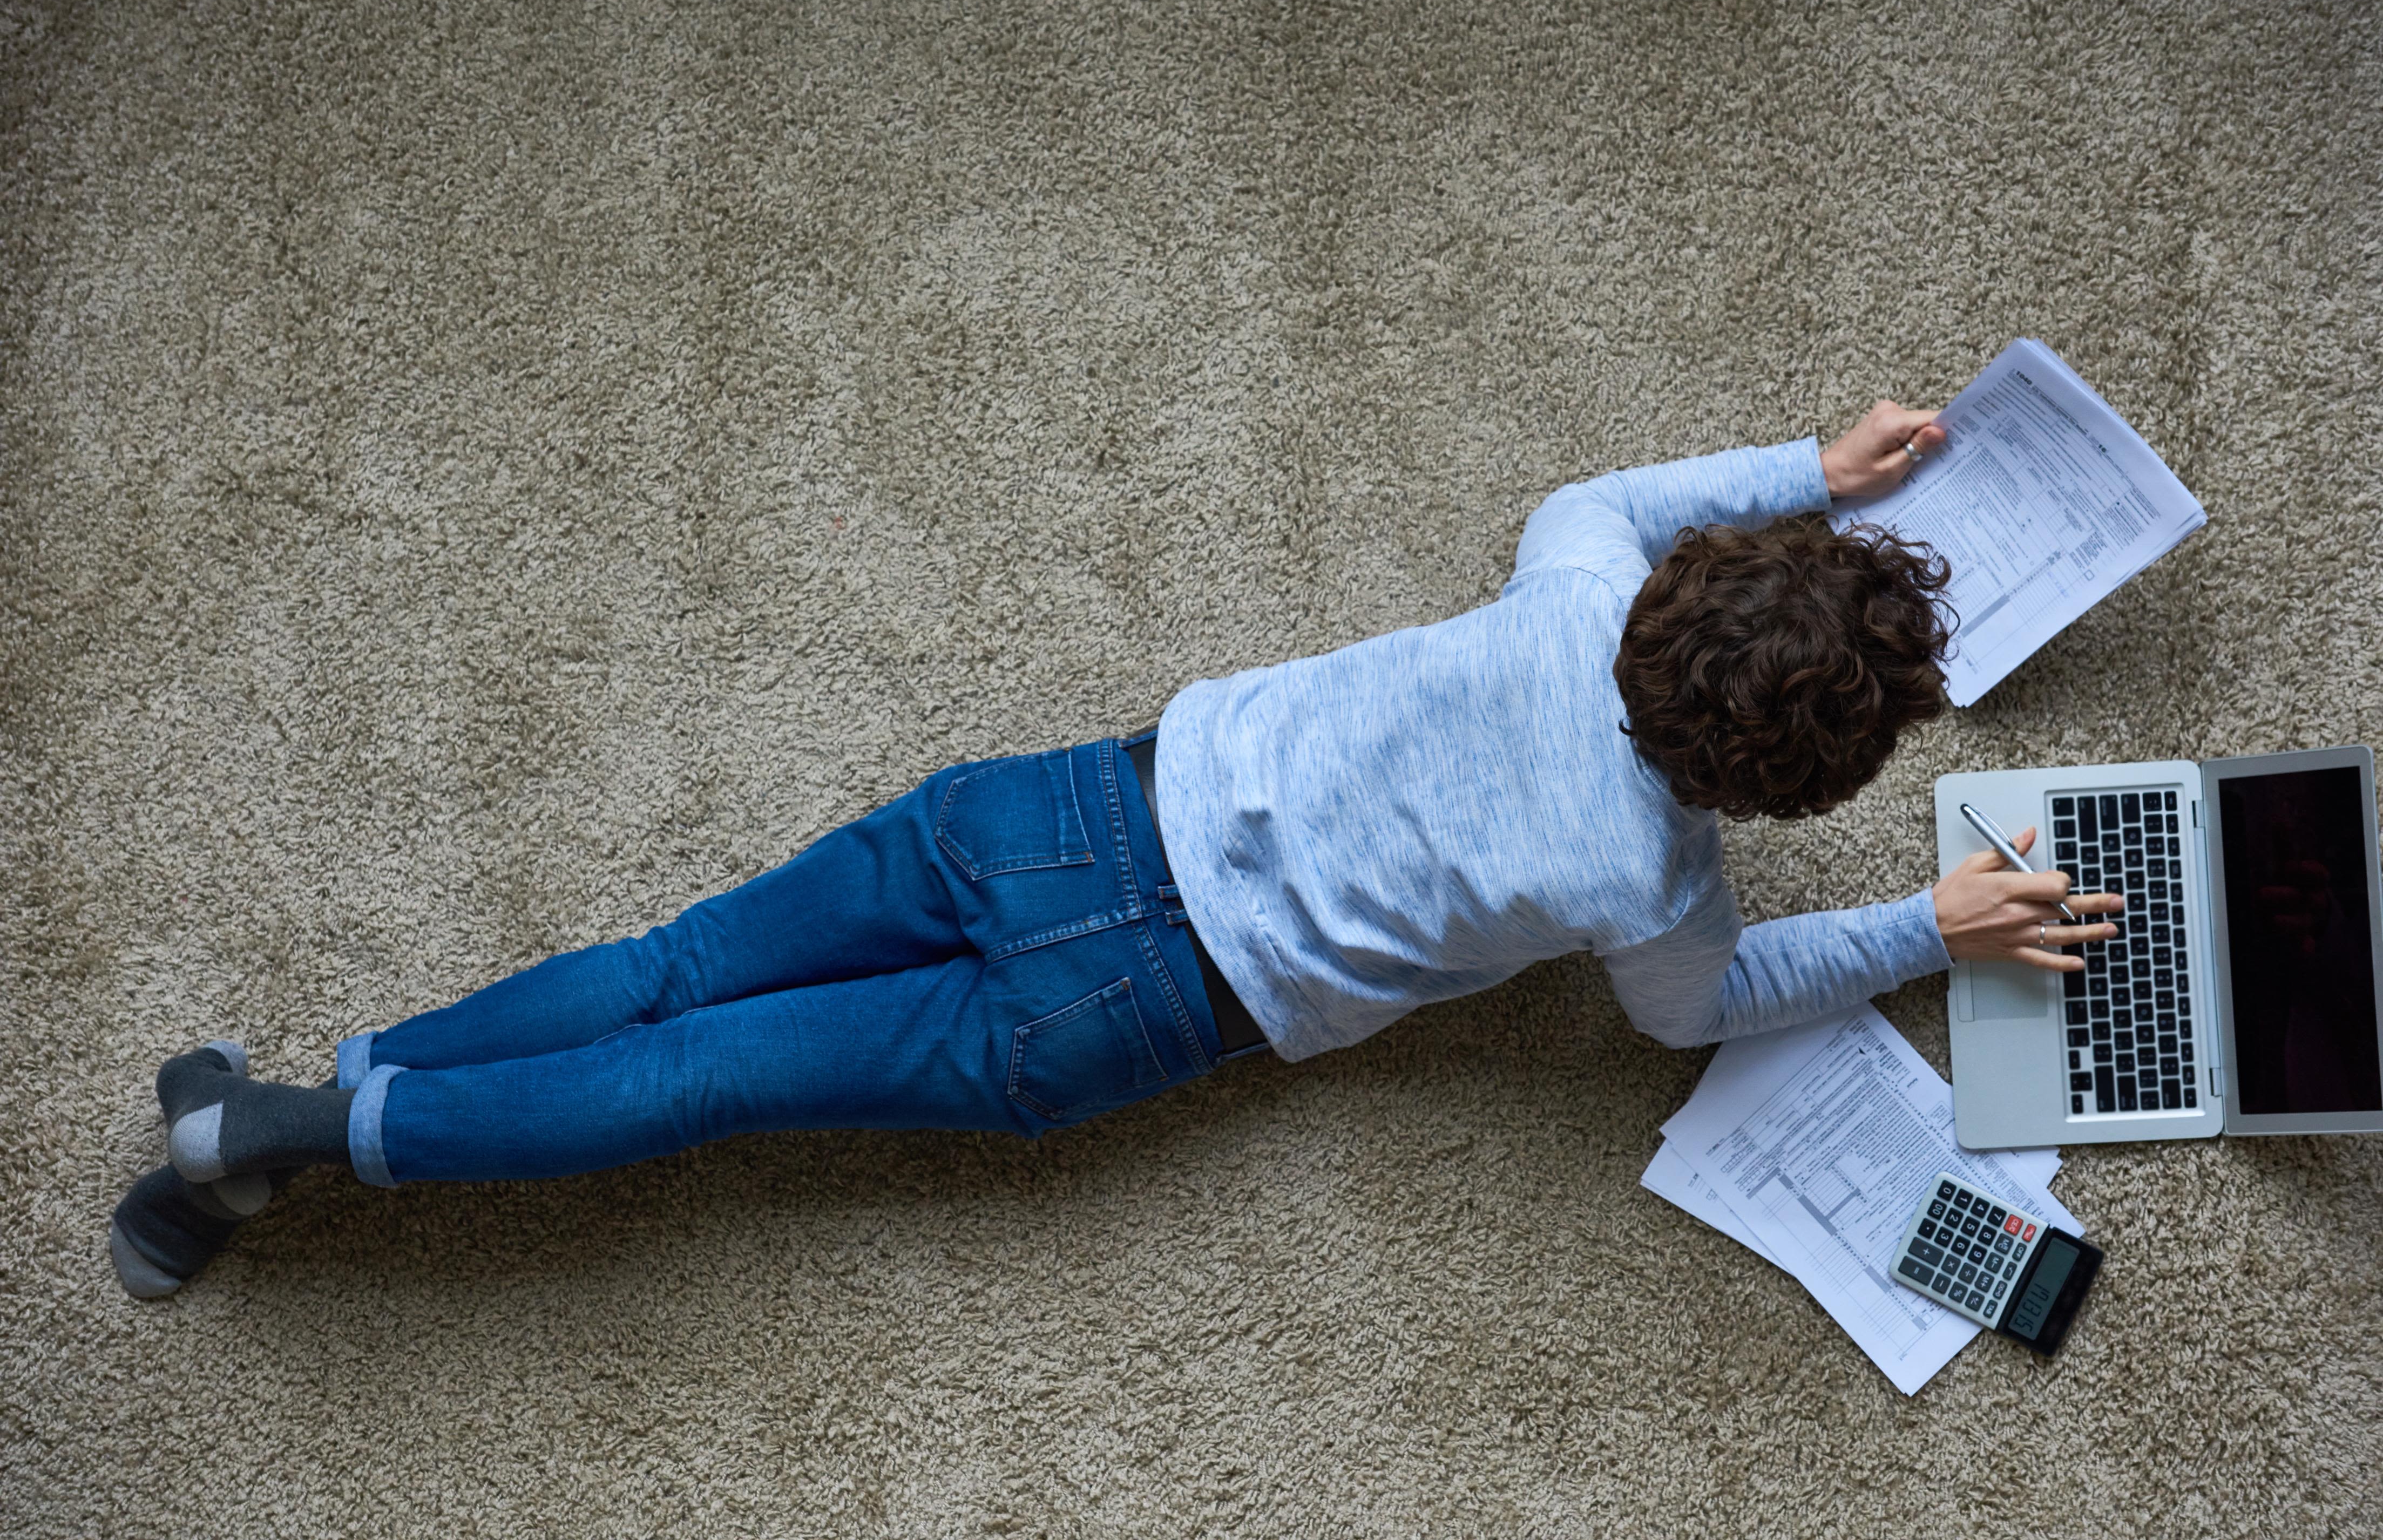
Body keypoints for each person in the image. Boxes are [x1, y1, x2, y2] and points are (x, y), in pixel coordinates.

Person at [110, 400, 2124, 1298]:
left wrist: (1808, 467)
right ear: (1781, 788)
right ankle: (311, 1141)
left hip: (1059, 815)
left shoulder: (1576, 572)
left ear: (1695, 585)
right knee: (714, 1089)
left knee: (670, 977)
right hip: (1146, 1004)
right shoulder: (1656, 883)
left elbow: (1605, 480)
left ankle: (298, 1107)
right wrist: (1923, 925)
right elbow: (1706, 1011)